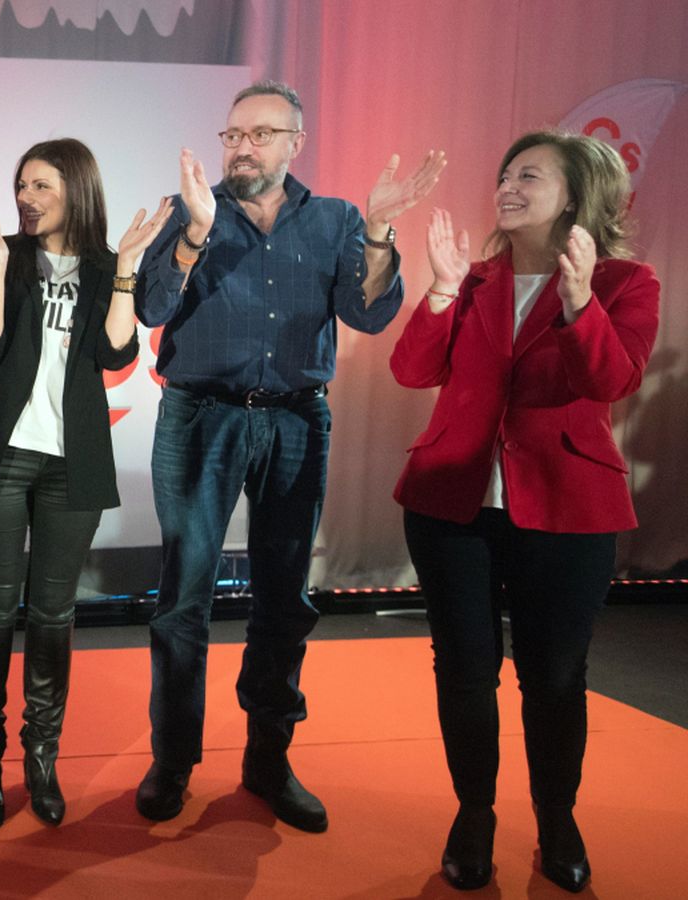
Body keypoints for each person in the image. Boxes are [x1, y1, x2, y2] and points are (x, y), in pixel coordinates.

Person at [124, 80, 445, 832]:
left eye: (260, 135)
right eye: (233, 135)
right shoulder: (188, 211)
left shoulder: (335, 219)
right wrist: (194, 233)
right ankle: (173, 759)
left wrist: (379, 232)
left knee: (284, 598)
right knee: (183, 598)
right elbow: (150, 307)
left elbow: (367, 311)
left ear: (295, 144)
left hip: (298, 417)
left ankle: (268, 758)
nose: (242, 147)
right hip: (199, 415)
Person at [391, 132, 658, 893]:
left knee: (555, 677)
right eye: (505, 174)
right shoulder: (474, 279)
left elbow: (612, 381)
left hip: (570, 510)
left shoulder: (624, 282)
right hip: (452, 506)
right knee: (464, 671)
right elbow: (412, 370)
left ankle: (557, 817)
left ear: (574, 196)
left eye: (529, 176)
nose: (507, 186)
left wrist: (578, 304)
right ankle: (474, 813)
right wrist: (442, 291)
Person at [0, 139, 164, 828]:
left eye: (41, 186)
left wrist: (125, 272)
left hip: (74, 461)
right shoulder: (1, 255)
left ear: (76, 190)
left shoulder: (103, 266)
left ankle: (42, 757)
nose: (26, 198)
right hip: (0, 455)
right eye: (22, 186)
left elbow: (116, 353)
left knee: (53, 614)